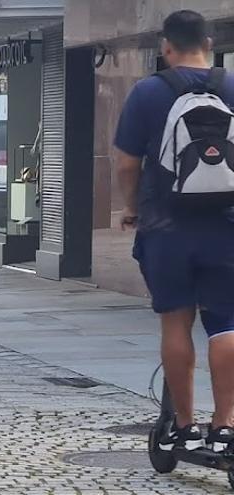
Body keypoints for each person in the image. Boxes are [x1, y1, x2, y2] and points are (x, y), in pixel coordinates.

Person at [116, 10, 234, 453]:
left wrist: (131, 209)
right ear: (209, 42)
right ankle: (225, 426)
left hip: (166, 227)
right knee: (226, 323)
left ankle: (184, 427)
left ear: (166, 47)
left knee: (176, 321)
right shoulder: (233, 87)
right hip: (227, 226)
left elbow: (127, 164)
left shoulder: (147, 92)